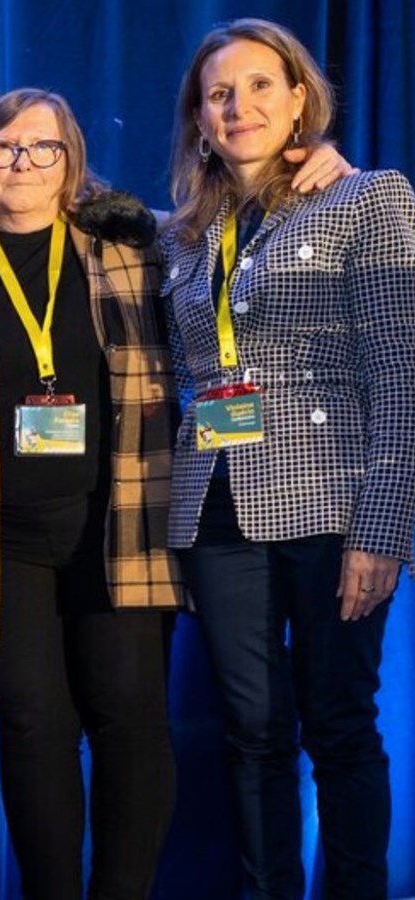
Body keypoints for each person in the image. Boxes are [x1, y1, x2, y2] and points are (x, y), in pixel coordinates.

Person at [0, 88, 184, 900]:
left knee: (130, 724)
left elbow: (225, 219)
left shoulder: (135, 251)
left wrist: (319, 163)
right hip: (0, 537)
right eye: (4, 148)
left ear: (72, 168)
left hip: (117, 525)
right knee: (32, 730)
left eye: (43, 148)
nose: (22, 163)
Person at [162, 18, 415, 897]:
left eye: (261, 86)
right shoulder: (183, 236)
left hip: (336, 506)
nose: (240, 107)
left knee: (339, 727)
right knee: (251, 733)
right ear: (199, 118)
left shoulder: (366, 198)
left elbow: (399, 365)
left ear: (300, 96)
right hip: (218, 509)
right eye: (220, 93)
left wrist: (384, 528)